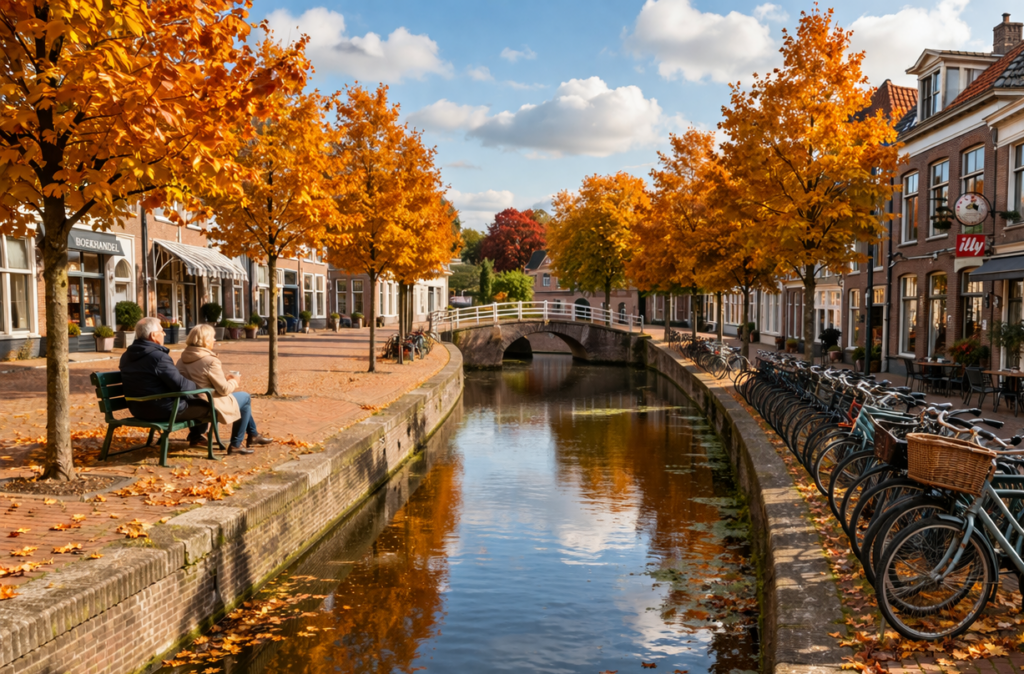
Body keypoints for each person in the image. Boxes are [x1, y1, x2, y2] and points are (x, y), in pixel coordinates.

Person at [176, 324, 273, 455]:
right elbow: (224, 390)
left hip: (191, 403)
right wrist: (235, 380)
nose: (215, 340)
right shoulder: (210, 361)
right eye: (213, 338)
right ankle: (236, 444)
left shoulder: (182, 360)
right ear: (205, 340)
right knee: (245, 398)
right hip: (209, 403)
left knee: (242, 401)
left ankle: (253, 434)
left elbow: (200, 380)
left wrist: (223, 377)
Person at [119, 317, 211, 447]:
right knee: (207, 406)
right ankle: (197, 436)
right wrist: (198, 386)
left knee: (188, 396)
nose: (165, 334)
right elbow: (180, 385)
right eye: (162, 331)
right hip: (161, 410)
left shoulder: (126, 356)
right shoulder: (158, 357)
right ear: (153, 336)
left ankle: (196, 436)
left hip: (137, 409)